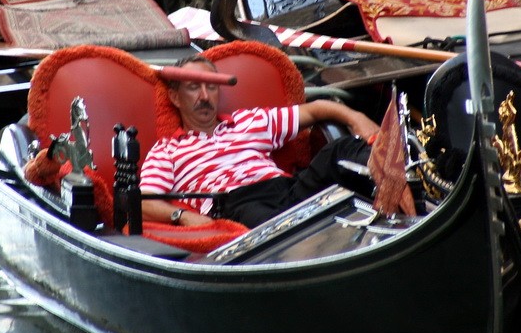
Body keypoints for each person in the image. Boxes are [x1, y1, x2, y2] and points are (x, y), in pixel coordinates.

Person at [140, 55, 382, 228]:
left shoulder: (249, 121)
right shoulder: (166, 151)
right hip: (237, 202)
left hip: (288, 188)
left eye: (211, 87)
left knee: (340, 149)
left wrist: (357, 118)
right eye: (194, 88)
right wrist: (182, 216)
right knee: (276, 226)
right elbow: (143, 203)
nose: (205, 96)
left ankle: (400, 182)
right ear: (175, 97)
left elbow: (317, 109)